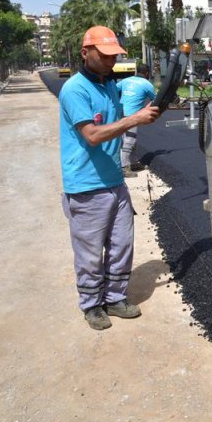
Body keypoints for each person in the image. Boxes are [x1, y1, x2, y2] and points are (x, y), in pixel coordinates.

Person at [58, 25, 160, 330]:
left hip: (115, 181)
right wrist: (135, 119)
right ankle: (92, 305)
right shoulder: (75, 89)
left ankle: (114, 298)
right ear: (85, 52)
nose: (110, 61)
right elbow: (92, 135)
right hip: (87, 185)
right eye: (104, 56)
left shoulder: (109, 86)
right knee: (90, 251)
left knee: (121, 245)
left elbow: (128, 115)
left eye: (114, 56)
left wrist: (154, 108)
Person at [117, 63, 155, 177]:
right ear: (147, 73)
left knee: (123, 141)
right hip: (132, 116)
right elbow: (156, 99)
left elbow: (113, 90)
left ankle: (126, 164)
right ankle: (124, 168)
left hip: (119, 113)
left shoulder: (125, 81)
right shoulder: (147, 84)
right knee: (130, 141)